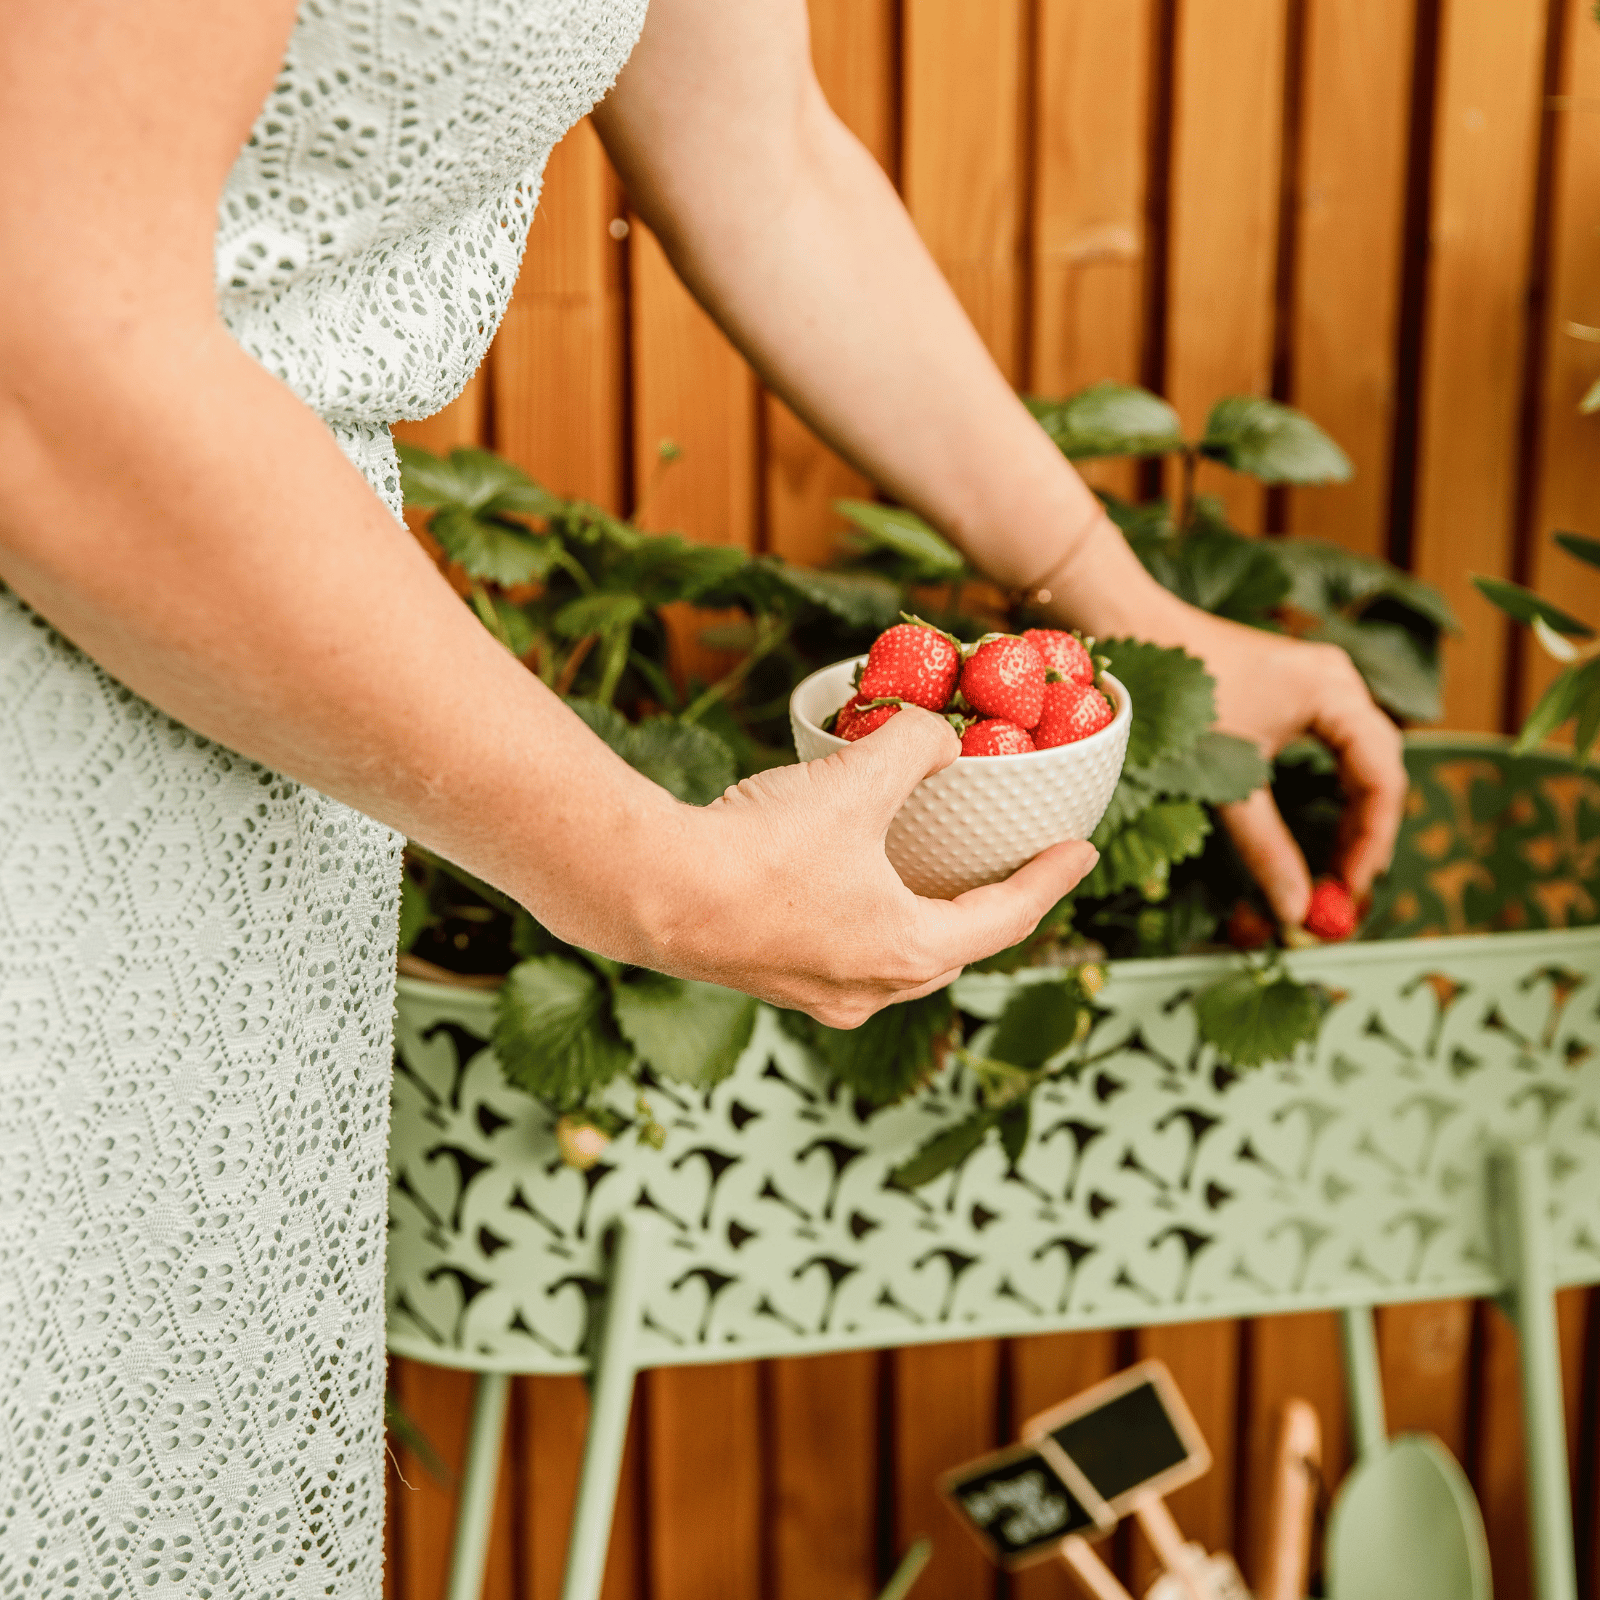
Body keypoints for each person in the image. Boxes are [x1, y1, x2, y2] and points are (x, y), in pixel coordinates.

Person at [0, 1, 1405, 1595]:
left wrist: (1121, 599)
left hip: (276, 723)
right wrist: (659, 877)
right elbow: (40, 351)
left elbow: (763, 148)